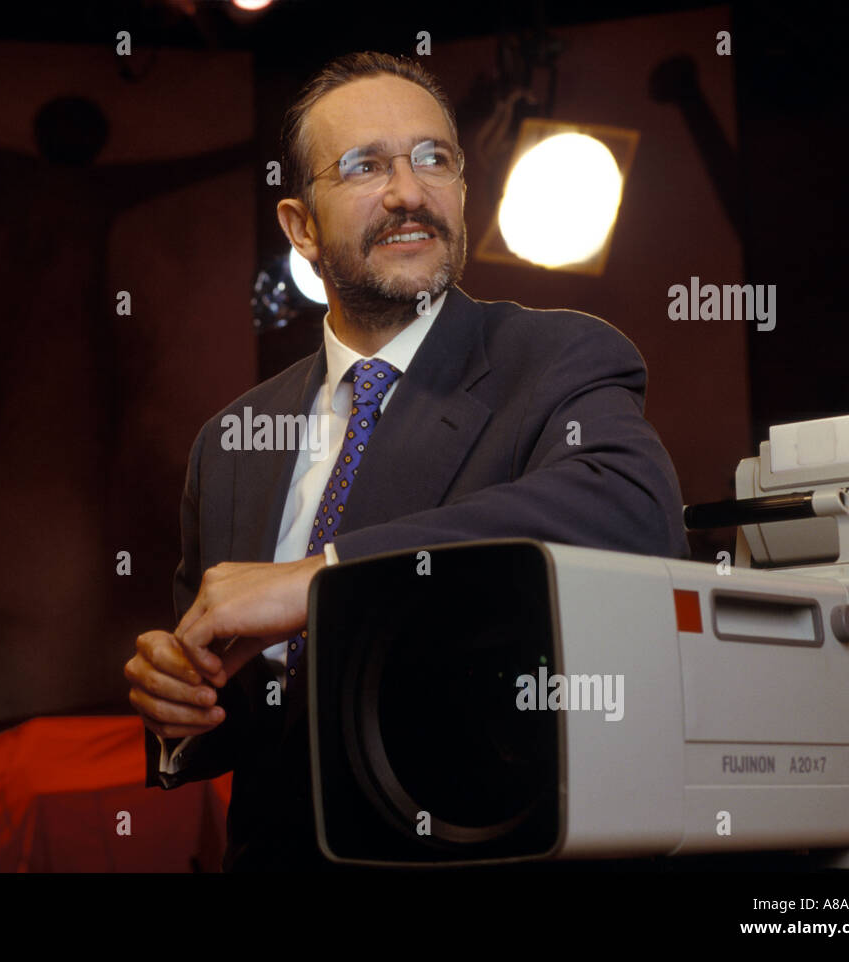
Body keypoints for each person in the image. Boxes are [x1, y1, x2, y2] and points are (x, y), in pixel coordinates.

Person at [123, 51, 690, 871]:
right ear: (302, 227)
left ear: (461, 191)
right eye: (364, 167)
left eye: (434, 159)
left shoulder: (557, 357)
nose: (408, 191)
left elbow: (633, 512)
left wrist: (327, 573)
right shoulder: (232, 441)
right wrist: (176, 706)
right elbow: (237, 702)